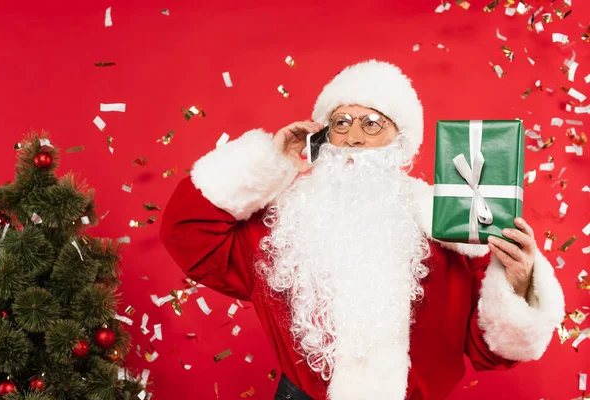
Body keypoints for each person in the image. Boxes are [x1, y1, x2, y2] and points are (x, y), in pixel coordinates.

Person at [160, 60, 565, 400]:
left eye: (372, 124)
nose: (353, 137)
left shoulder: (451, 230)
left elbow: (492, 351)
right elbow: (186, 231)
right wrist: (269, 163)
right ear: (323, 136)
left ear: (400, 141)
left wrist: (519, 282)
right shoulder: (283, 225)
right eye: (341, 122)